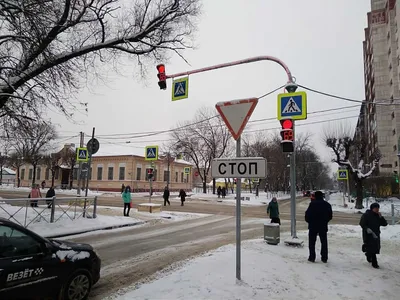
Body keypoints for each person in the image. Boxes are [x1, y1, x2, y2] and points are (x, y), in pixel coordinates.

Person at [305, 190, 333, 263]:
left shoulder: (312, 204)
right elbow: (330, 216)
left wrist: (310, 222)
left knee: (312, 242)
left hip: (313, 226)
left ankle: (312, 257)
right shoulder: (327, 205)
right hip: (323, 226)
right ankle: (324, 257)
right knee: (324, 242)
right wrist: (324, 221)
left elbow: (307, 215)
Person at [359, 203, 388, 269]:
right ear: (372, 208)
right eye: (375, 208)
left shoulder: (378, 216)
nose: (377, 209)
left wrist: (381, 217)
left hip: (376, 234)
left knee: (375, 247)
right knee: (372, 247)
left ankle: (368, 254)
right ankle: (374, 263)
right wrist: (367, 228)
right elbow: (362, 223)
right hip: (368, 234)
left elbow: (385, 224)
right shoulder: (366, 215)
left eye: (378, 208)